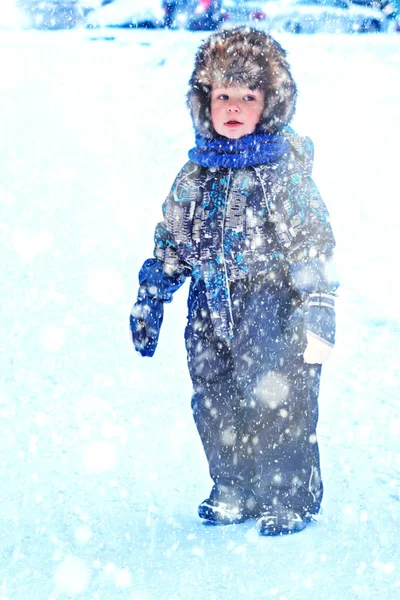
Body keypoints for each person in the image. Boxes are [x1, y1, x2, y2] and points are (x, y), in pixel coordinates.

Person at [130, 28, 338, 536]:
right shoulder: (196, 173)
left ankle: (287, 494)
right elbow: (174, 239)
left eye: (248, 95)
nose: (234, 106)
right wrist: (151, 296)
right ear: (205, 102)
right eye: (223, 94)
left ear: (269, 103)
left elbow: (311, 240)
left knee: (278, 397)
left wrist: (318, 305)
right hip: (207, 305)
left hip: (273, 304)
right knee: (214, 397)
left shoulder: (283, 171)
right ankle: (235, 486)